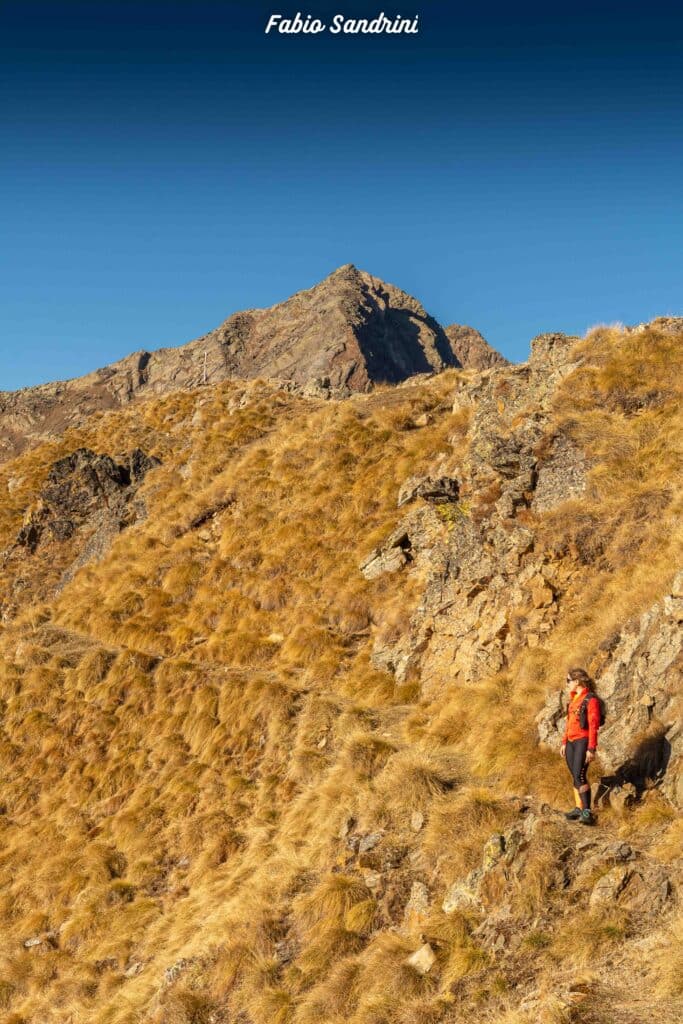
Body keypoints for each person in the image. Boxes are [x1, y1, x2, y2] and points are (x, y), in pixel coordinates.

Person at [560, 667, 601, 824]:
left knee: (580, 774)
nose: (567, 684)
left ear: (577, 682)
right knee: (575, 775)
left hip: (583, 742)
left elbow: (593, 725)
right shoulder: (573, 700)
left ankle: (587, 811)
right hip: (570, 742)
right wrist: (564, 742)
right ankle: (578, 808)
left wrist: (591, 748)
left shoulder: (591, 700)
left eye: (568, 681)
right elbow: (569, 723)